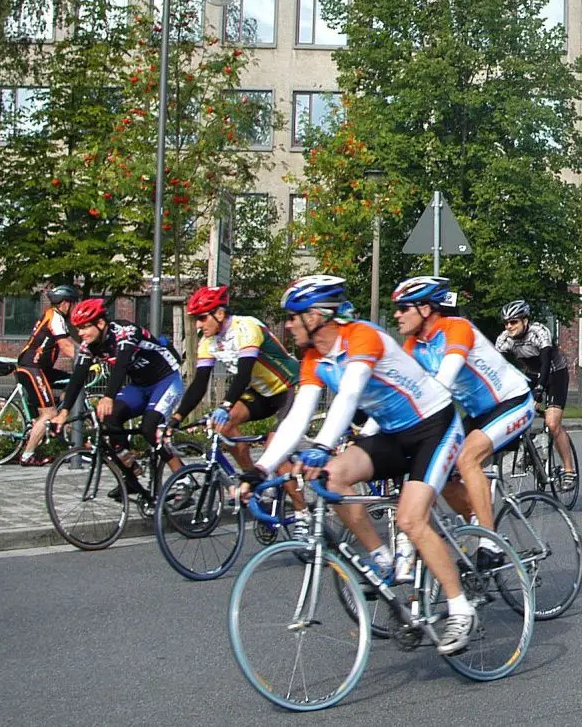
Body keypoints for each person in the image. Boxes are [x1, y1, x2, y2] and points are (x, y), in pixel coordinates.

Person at [240, 275, 477, 656]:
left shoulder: (361, 337)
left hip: (433, 426)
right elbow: (297, 416)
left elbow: (350, 393)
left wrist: (321, 446)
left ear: (317, 316)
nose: (287, 324)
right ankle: (382, 557)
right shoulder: (314, 358)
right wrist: (261, 469)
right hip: (391, 432)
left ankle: (460, 609)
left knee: (411, 519)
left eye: (293, 317)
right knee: (332, 478)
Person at [393, 276, 535, 572]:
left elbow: (442, 381)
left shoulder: (457, 329)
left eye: (403, 307)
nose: (396, 314)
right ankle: (475, 516)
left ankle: (490, 541)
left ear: (426, 309)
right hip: (479, 413)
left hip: (512, 401)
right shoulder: (414, 345)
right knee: (438, 468)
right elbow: (400, 391)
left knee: (466, 456)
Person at [49, 298, 186, 500]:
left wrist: (108, 396)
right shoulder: (90, 345)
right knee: (109, 418)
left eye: (85, 327)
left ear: (101, 324)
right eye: (77, 328)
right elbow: (78, 377)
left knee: (149, 428)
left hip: (166, 380)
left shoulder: (125, 332)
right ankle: (130, 475)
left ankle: (184, 479)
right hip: (140, 385)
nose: (80, 333)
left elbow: (121, 365)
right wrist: (63, 413)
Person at [174, 286, 299, 474]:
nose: (198, 325)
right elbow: (199, 384)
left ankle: (301, 505)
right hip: (262, 393)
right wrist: (177, 417)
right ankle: (251, 481)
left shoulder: (246, 327)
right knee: (223, 426)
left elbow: (243, 374)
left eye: (201, 318)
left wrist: (225, 405)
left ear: (220, 313)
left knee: (274, 451)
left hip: (289, 388)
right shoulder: (208, 342)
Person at [494, 300, 578, 493]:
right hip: (531, 374)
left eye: (513, 322)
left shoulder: (539, 332)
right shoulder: (504, 339)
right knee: (518, 411)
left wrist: (539, 391)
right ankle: (528, 449)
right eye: (506, 323)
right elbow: (497, 366)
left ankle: (568, 470)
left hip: (555, 372)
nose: (509, 327)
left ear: (525, 320)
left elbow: (546, 362)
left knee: (552, 423)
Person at [14, 285, 80, 466]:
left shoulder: (54, 316)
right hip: (32, 367)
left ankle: (48, 424)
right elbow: (66, 347)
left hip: (40, 369)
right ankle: (27, 456)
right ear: (66, 303)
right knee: (49, 413)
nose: (74, 308)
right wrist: (88, 359)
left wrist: (86, 350)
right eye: (74, 304)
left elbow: (70, 341)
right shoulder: (55, 317)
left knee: (72, 382)